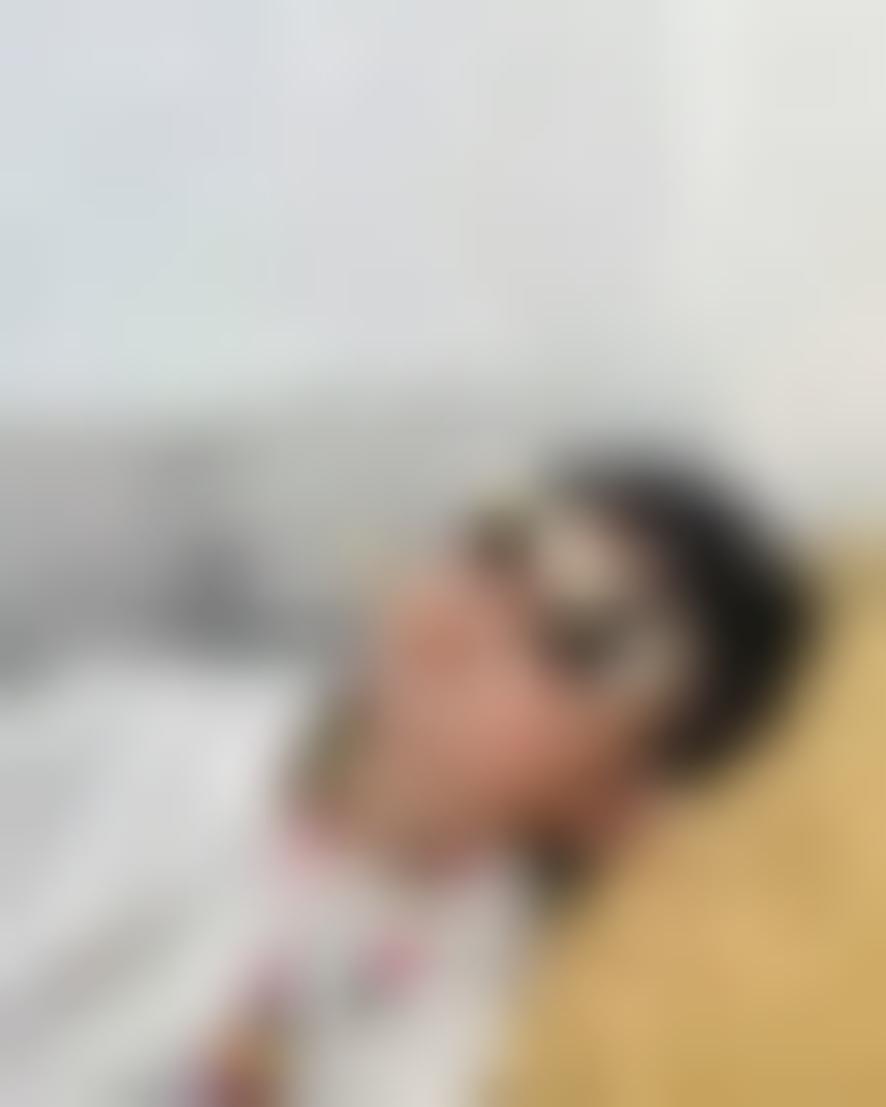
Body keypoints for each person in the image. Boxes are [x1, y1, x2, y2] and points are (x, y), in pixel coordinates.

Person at [201, 458, 810, 1107]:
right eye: (503, 547)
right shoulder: (154, 740)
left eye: (583, 636)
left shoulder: (492, 1048)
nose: (485, 614)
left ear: (622, 805)